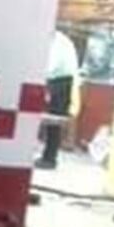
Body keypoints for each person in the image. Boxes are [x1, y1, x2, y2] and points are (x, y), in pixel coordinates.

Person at [37, 29, 79, 170]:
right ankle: (48, 156)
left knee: (53, 122)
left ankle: (49, 159)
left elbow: (51, 66)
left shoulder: (58, 43)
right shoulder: (62, 40)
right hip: (62, 81)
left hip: (60, 82)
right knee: (53, 122)